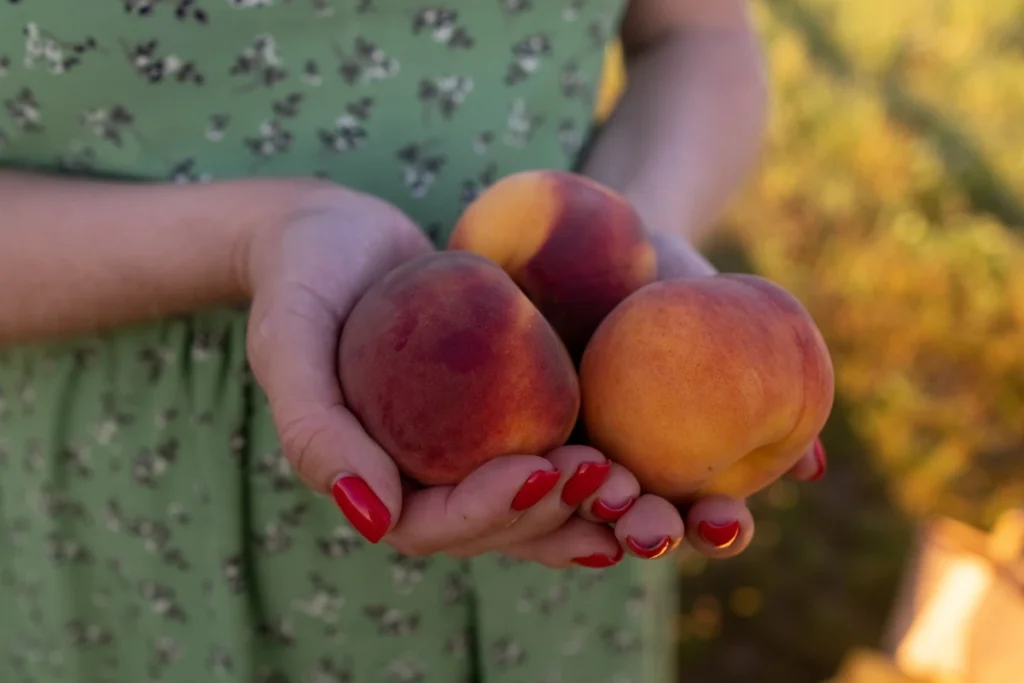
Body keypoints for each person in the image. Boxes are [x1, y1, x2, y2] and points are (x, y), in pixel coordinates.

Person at [0, 1, 826, 681]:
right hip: (129, 503)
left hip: (562, 482)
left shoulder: (599, 382)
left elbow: (695, 32)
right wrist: (250, 235)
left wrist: (637, 241)